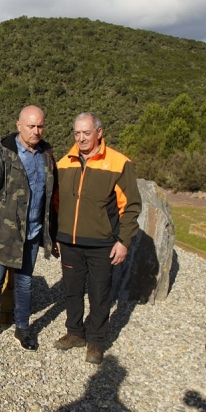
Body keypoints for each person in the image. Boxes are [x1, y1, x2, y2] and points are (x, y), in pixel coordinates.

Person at [52, 112, 142, 364]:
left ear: (99, 133)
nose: (81, 138)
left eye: (86, 133)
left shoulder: (119, 163)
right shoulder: (63, 163)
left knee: (100, 293)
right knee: (71, 290)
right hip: (69, 242)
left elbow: (131, 206)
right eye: (77, 133)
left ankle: (96, 341)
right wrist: (57, 235)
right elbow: (55, 204)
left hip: (103, 243)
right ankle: (74, 333)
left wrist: (123, 241)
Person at [0, 105, 58, 351]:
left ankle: (23, 328)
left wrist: (52, 235)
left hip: (31, 234)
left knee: (24, 283)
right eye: (31, 126)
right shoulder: (1, 156)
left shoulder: (47, 154)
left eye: (40, 126)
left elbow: (52, 196)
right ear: (18, 125)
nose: (36, 131)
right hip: (3, 235)